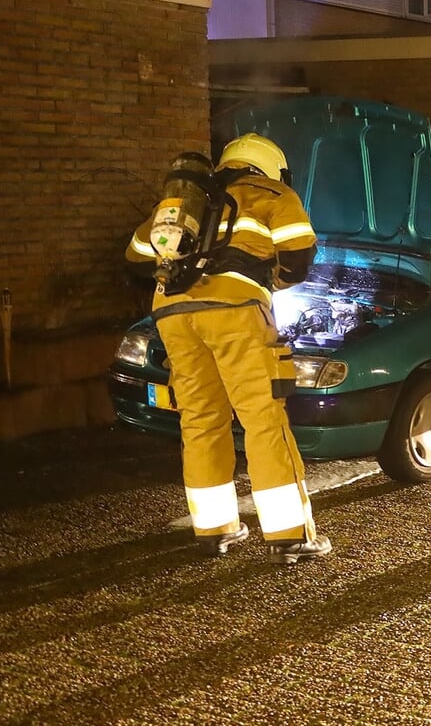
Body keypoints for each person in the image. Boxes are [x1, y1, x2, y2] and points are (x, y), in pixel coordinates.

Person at [125, 135, 331, 564]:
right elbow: (298, 252)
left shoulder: (186, 203)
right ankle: (289, 535)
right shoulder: (273, 192)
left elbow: (136, 258)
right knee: (262, 419)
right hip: (236, 313)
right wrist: (273, 282)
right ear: (271, 167)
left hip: (174, 314)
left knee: (200, 419)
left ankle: (215, 530)